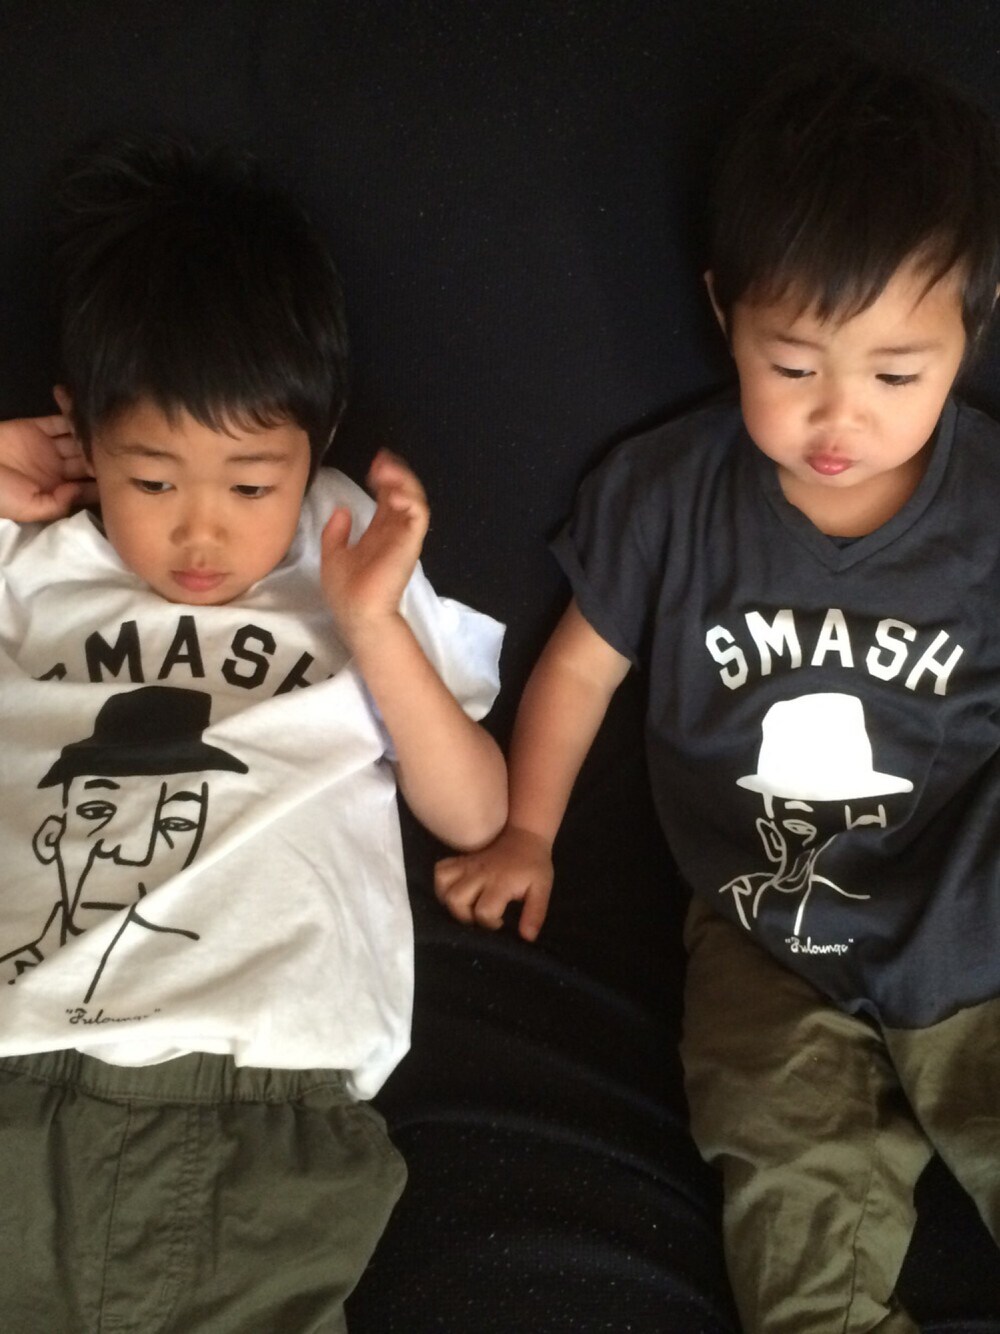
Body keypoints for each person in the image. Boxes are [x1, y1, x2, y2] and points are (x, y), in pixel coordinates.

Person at [434, 52, 1000, 1333]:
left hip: (974, 918)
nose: (838, 417)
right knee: (788, 1197)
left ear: (972, 326)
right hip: (761, 939)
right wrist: (527, 829)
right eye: (792, 365)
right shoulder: (666, 493)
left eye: (895, 375)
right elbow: (579, 663)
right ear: (723, 310)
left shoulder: (985, 506)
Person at [0, 135, 506, 1333]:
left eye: (248, 482)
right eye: (152, 479)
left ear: (313, 449)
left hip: (268, 1079)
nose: (200, 533)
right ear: (81, 430)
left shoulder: (346, 554)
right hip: (19, 1058)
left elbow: (476, 810)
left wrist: (372, 624)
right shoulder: (31, 561)